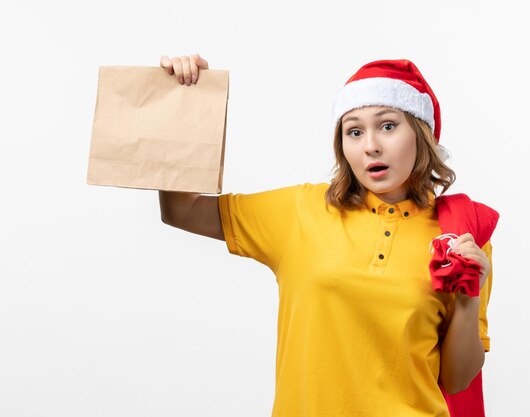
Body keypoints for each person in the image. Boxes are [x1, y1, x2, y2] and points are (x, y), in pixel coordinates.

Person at [158, 54, 494, 417]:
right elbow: (181, 210)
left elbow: (457, 380)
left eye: (387, 126)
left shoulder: (460, 236)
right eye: (354, 131)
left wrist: (466, 300)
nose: (370, 146)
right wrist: (183, 106)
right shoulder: (301, 211)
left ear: (421, 133)